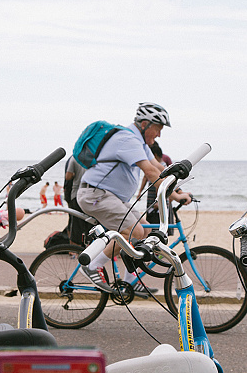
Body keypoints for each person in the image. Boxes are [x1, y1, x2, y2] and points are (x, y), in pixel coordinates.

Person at [77, 102, 192, 298]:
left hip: (112, 197)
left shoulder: (140, 143)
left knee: (146, 232)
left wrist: (178, 191)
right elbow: (149, 172)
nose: (159, 134)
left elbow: (158, 168)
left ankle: (130, 282)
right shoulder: (127, 139)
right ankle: (92, 265)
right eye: (158, 128)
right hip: (96, 195)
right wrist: (173, 196)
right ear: (146, 124)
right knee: (135, 231)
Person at [64, 156, 95, 246]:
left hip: (76, 195)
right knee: (91, 223)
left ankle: (73, 250)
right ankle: (90, 249)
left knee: (76, 224)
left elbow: (68, 176)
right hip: (90, 196)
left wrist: (75, 175)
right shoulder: (94, 158)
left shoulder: (74, 158)